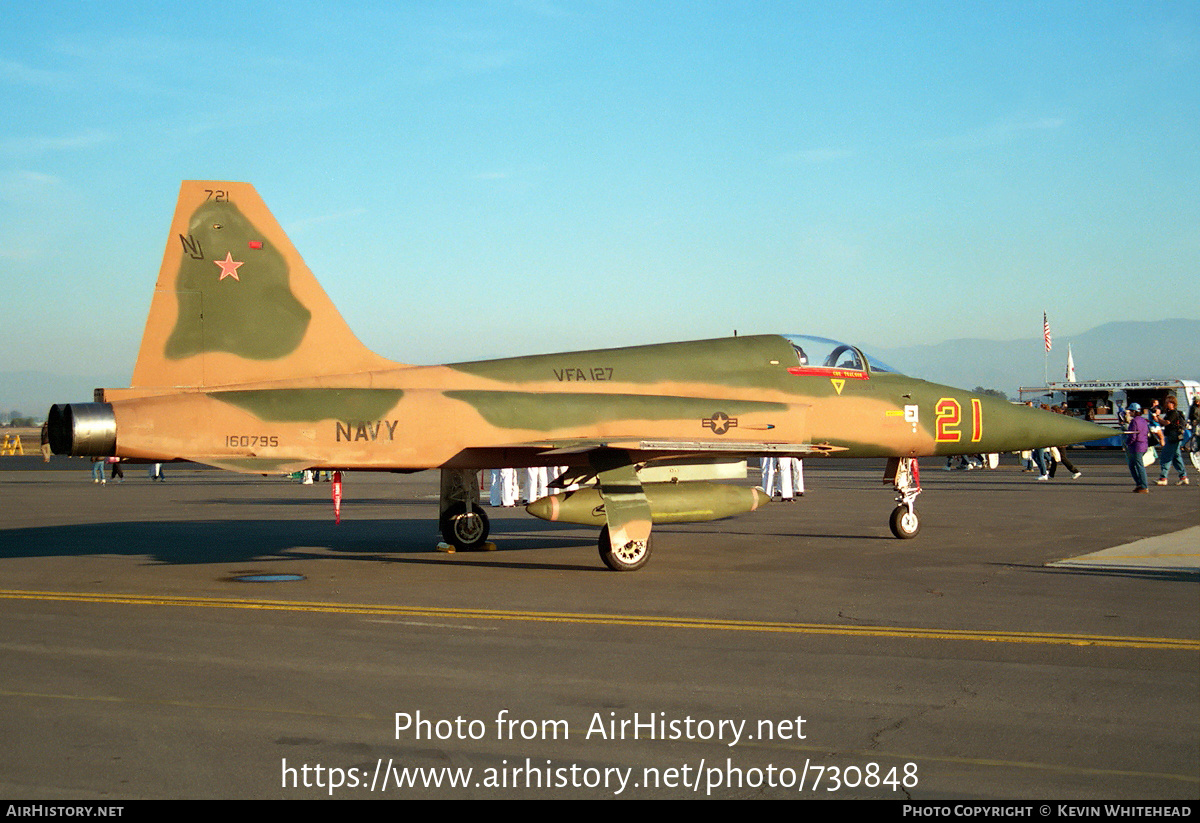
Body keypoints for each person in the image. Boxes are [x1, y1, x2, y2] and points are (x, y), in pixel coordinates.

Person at [1154, 395, 1189, 486]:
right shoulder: (1171, 412)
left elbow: (1166, 422)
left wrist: (1157, 418)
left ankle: (1163, 478)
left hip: (1172, 436)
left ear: (1172, 403)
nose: (1165, 404)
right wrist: (1158, 418)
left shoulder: (1173, 413)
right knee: (1176, 457)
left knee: (1166, 457)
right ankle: (1183, 477)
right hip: (1175, 436)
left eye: (1167, 402)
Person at [1122, 404, 1150, 493]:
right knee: (1133, 465)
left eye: (1130, 411)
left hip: (1136, 447)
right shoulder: (1143, 420)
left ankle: (1143, 486)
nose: (1130, 413)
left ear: (1134, 411)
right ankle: (1139, 484)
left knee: (1138, 466)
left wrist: (1127, 443)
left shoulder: (1134, 421)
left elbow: (1132, 436)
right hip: (1143, 445)